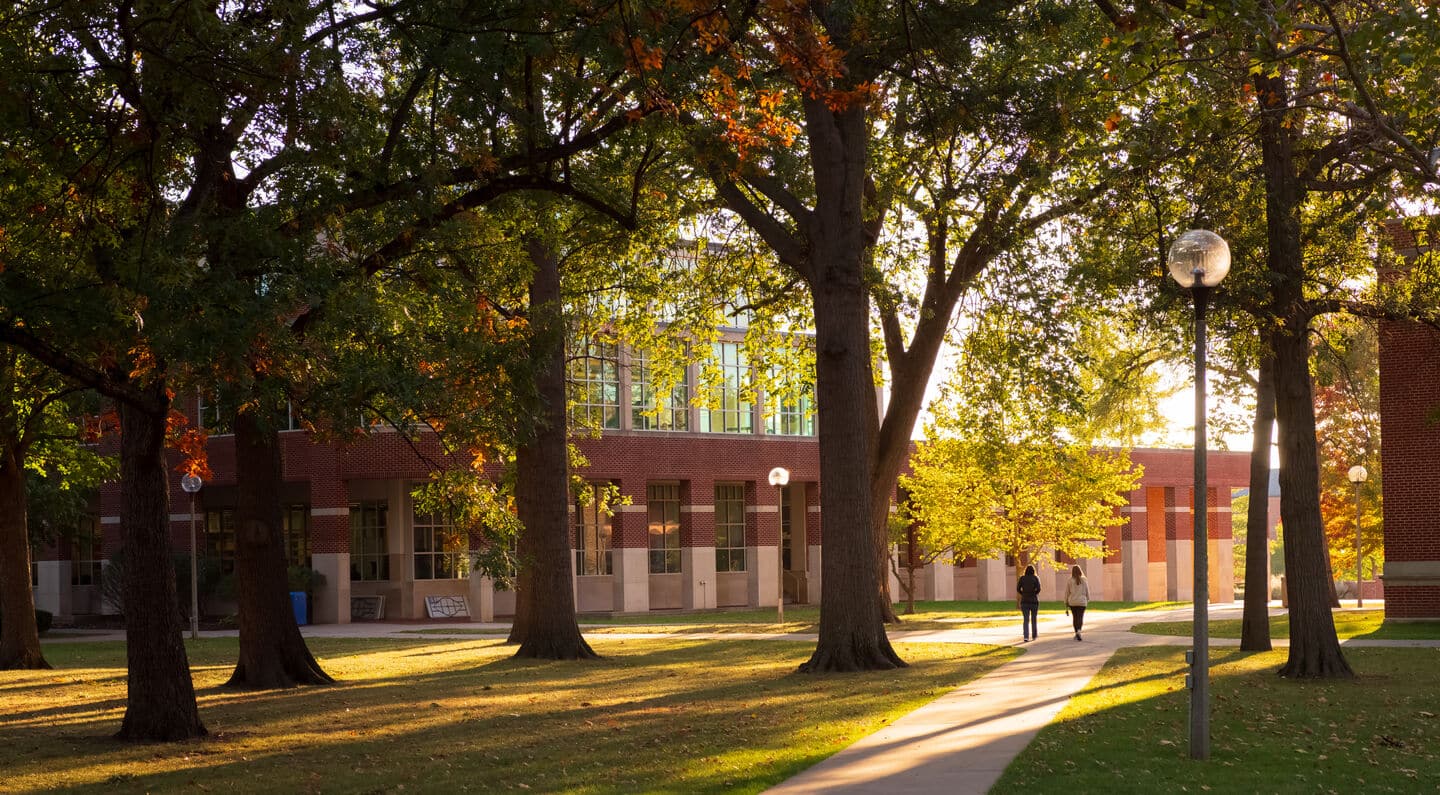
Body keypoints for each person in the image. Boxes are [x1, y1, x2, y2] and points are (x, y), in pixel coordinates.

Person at [1016, 564, 1042, 642]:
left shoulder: (1022, 578)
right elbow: (1039, 589)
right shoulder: (1036, 578)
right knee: (1034, 619)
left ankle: (1026, 636)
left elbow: (1018, 589)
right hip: (1034, 601)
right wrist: (1034, 593)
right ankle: (1034, 635)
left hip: (1024, 601)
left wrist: (1023, 593)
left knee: (1026, 619)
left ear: (1026, 571)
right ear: (1033, 571)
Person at [1064, 564, 1090, 641]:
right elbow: (1087, 590)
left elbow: (1067, 592)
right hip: (1082, 602)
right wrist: (1088, 599)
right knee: (1080, 617)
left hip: (1073, 602)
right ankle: (1079, 631)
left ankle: (1076, 632)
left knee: (1075, 617)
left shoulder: (1070, 580)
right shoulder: (1084, 580)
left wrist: (1066, 601)